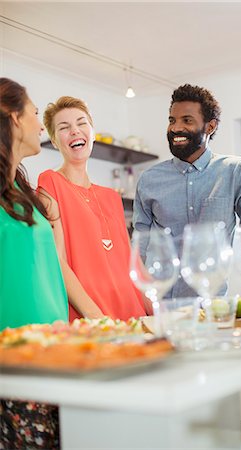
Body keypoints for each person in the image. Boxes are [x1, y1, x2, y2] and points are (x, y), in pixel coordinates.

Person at [133, 84, 241, 298]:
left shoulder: (233, 170)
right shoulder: (149, 179)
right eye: (171, 120)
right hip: (159, 304)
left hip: (212, 304)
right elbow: (138, 246)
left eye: (187, 120)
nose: (176, 128)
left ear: (210, 126)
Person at [0, 78, 68, 449]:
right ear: (13, 119)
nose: (40, 124)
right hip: (13, 371)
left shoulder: (20, 193)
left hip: (52, 361)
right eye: (35, 113)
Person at [38, 96, 149, 322]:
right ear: (54, 140)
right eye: (64, 127)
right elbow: (57, 261)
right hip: (90, 318)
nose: (75, 131)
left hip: (133, 314)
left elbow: (133, 263)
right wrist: (96, 318)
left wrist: (163, 311)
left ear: (92, 132)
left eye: (81, 123)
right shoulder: (49, 182)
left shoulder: (111, 197)